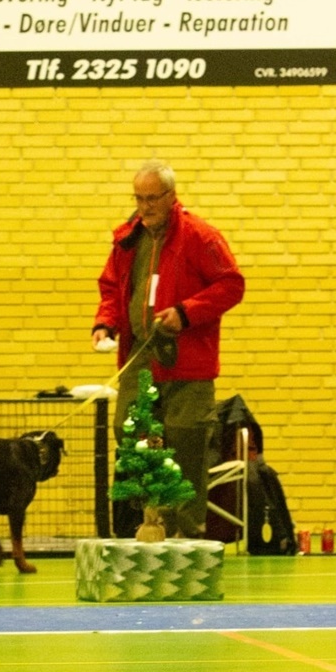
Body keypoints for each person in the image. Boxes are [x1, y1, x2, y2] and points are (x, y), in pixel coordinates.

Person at [92, 160, 245, 538]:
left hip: (188, 361)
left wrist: (186, 313)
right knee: (129, 429)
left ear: (171, 196)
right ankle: (152, 517)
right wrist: (105, 323)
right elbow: (111, 287)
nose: (144, 207)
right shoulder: (128, 239)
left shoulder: (200, 236)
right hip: (139, 357)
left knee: (187, 438)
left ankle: (188, 531)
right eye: (138, 198)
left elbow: (231, 285)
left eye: (152, 198)